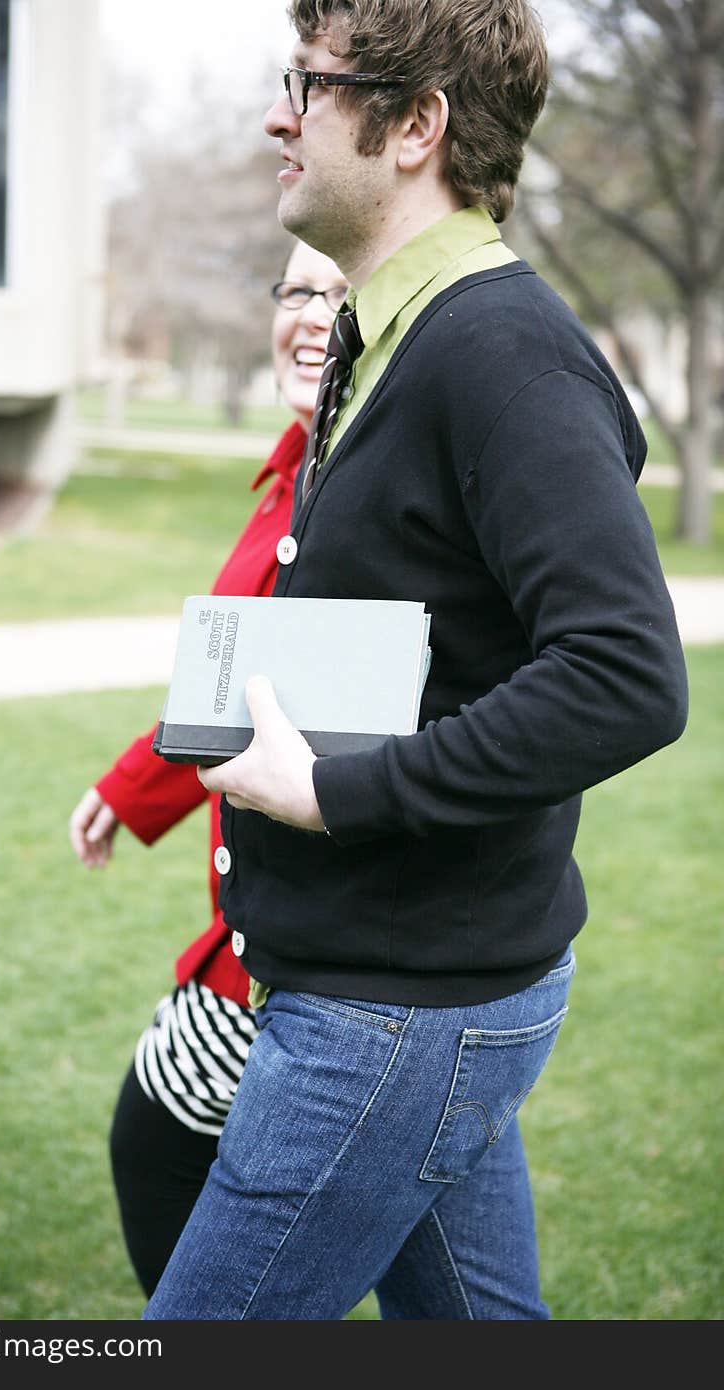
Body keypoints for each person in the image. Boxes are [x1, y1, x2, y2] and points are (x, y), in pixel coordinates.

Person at [140, 0, 689, 1321]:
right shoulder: (389, 336)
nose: (281, 113)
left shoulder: (499, 351)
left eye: (310, 84)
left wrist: (340, 792)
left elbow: (627, 671)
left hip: (394, 1018)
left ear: (415, 126)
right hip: (396, 986)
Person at [68, 239, 350, 1298]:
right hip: (315, 948)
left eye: (342, 293)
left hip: (301, 958)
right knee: (458, 1281)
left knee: (153, 1138)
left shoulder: (345, 487)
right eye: (296, 291)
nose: (312, 316)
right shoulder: (295, 467)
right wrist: (125, 788)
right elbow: (223, 686)